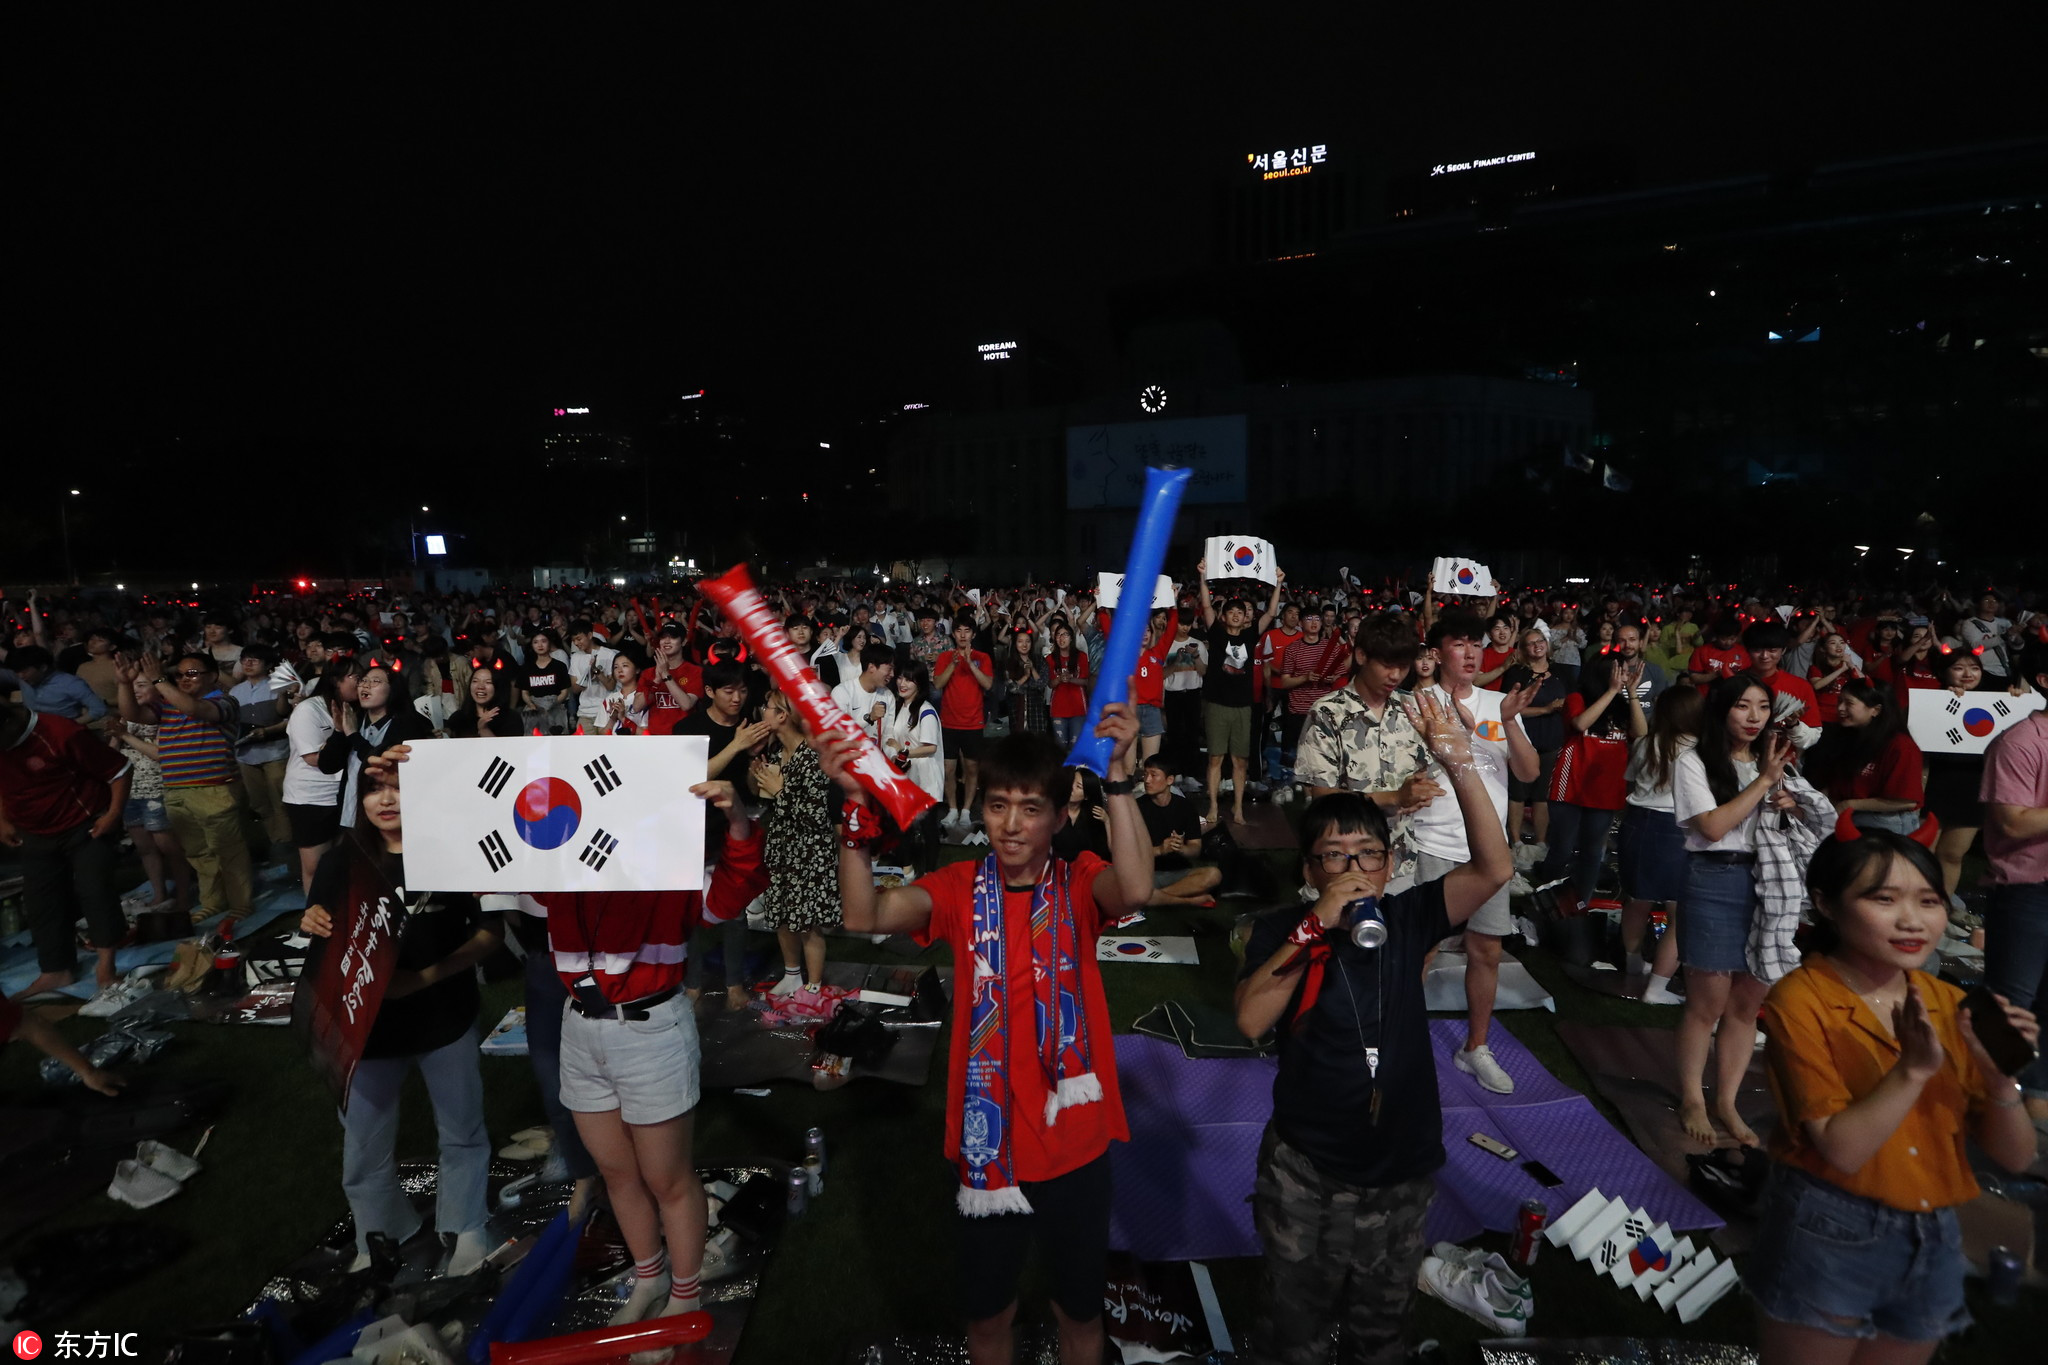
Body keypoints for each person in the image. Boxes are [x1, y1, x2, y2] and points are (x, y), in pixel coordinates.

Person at [821, 707, 1153, 1365]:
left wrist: (1117, 782)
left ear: (1060, 817)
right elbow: (864, 913)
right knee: (986, 1321)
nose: (1009, 823)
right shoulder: (959, 886)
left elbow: (1137, 885)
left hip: (1074, 1145)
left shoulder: (1082, 881)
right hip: (986, 1141)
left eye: (1031, 807)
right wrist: (856, 808)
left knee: (1081, 1318)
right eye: (998, 804)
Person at [1234, 693, 1519, 1365]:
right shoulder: (1284, 929)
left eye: (1368, 854)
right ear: (1310, 870)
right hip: (1306, 1168)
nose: (1354, 869)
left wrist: (1460, 762)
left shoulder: (1409, 916)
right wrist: (1312, 926)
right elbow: (1250, 1019)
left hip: (1400, 1166)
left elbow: (1495, 868)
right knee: (1297, 1325)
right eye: (1334, 855)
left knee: (1379, 1329)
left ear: (1390, 866)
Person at [1747, 825, 2038, 1364]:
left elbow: (2017, 1156)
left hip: (1936, 1233)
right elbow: (1841, 1149)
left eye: (1929, 901)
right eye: (1884, 899)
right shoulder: (1802, 1002)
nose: (1913, 920)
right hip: (1831, 1229)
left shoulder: (1953, 1003)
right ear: (1826, 904)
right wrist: (1913, 1071)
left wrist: (2002, 1082)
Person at [537, 780, 770, 1322]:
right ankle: (650, 1276)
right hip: (580, 1030)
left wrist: (737, 820)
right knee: (617, 1174)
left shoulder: (664, 872)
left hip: (649, 1031)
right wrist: (423, 789)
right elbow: (476, 860)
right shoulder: (555, 867)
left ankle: (683, 1298)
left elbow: (732, 892)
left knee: (667, 1177)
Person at [297, 777, 503, 1276]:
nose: (385, 800)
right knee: (363, 1142)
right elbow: (322, 924)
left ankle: (468, 1225)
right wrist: (312, 920)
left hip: (444, 1018)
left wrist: (423, 979)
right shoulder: (340, 861)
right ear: (358, 801)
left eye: (398, 789)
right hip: (367, 1030)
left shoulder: (455, 853)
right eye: (373, 790)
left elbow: (489, 934)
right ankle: (381, 1233)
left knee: (462, 1129)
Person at [1670, 675, 1823, 1147]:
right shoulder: (1693, 761)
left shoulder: (1775, 764)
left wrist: (1790, 800)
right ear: (1721, 710)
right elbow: (1713, 827)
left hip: (1772, 883)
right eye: (1742, 706)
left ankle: (1726, 1102)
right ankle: (1693, 1097)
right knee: (1707, 1003)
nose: (1754, 717)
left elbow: (1812, 820)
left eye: (1762, 707)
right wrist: (1763, 783)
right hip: (1716, 879)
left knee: (1746, 1004)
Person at [0, 701, 131, 1003]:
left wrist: (112, 815)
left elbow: (120, 769)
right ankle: (56, 970)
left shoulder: (60, 733)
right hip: (33, 830)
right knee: (41, 900)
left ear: (7, 724)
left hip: (83, 823)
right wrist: (3, 818)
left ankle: (106, 966)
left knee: (95, 891)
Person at [116, 651, 251, 929]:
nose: (183, 679)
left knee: (228, 850)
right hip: (177, 789)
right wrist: (123, 684)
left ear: (212, 676)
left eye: (191, 673)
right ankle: (213, 902)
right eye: (180, 674)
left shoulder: (225, 701)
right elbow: (132, 714)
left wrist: (159, 679)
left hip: (214, 788)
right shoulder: (168, 705)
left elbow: (195, 710)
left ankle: (241, 904)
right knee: (198, 852)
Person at [1536, 649, 1647, 912]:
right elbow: (1580, 723)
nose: (1624, 675)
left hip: (1605, 790)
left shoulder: (1622, 704)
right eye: (1619, 671)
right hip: (1571, 785)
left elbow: (1641, 733)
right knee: (1562, 849)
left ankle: (1579, 904)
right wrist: (1611, 691)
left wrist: (1630, 693)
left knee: (1592, 853)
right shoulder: (1577, 698)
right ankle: (1544, 895)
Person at [750, 690, 840, 996]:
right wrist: (757, 772)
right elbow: (761, 794)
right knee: (783, 915)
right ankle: (791, 975)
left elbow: (817, 815)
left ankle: (813, 985)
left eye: (767, 707)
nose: (762, 711)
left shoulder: (812, 755)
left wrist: (780, 791)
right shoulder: (777, 752)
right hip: (782, 845)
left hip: (811, 849)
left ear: (782, 716)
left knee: (808, 922)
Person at [1618, 685, 1702, 1005]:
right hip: (1674, 829)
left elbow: (1630, 780)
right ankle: (1656, 988)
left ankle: (1634, 963)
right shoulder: (1701, 750)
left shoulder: (1646, 744)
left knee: (1637, 899)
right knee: (1681, 912)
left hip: (1636, 823)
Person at [1198, 568, 1285, 827]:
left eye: (1240, 612)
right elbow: (1205, 603)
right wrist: (1203, 577)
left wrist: (1279, 583)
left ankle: (1238, 807)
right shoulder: (1216, 632)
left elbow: (1270, 612)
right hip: (1217, 703)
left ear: (1245, 616)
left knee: (1240, 759)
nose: (1236, 615)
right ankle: (1213, 805)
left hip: (1243, 706)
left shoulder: (1250, 635)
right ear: (1224, 616)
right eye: (1231, 612)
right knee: (1215, 757)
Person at [111, 672, 193, 917]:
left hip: (157, 788)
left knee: (169, 846)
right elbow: (111, 755)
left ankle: (184, 895)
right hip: (130, 790)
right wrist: (117, 736)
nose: (135, 690)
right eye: (131, 686)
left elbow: (160, 754)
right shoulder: (124, 718)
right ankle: (159, 894)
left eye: (142, 685)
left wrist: (125, 736)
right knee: (145, 847)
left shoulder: (163, 715)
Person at [1813, 682, 1924, 836]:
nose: (1840, 708)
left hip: (1886, 823)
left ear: (1875, 710)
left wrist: (1849, 805)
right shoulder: (1847, 736)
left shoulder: (1901, 746)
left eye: (1849, 703)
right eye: (1840, 701)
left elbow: (1906, 800)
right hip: (1848, 817)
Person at [283, 671, 352, 896]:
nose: (361, 683)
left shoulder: (353, 708)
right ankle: (315, 920)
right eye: (354, 676)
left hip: (343, 792)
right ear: (335, 679)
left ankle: (343, 916)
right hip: (310, 797)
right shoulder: (308, 710)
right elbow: (314, 758)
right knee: (316, 865)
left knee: (342, 860)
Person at [1501, 627, 1568, 853]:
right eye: (1531, 643)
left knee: (1542, 795)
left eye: (1540, 641)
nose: (1537, 645)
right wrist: (1546, 709)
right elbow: (1508, 709)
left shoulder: (1561, 672)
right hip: (1522, 741)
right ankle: (1516, 841)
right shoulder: (1517, 674)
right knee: (1518, 793)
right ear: (1523, 648)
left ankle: (1540, 842)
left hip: (1551, 740)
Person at [229, 646, 294, 862]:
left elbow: (286, 716)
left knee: (280, 799)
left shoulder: (278, 686)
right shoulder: (236, 692)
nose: (248, 664)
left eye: (254, 660)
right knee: (259, 802)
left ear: (267, 665)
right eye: (245, 660)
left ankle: (286, 845)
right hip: (246, 754)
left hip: (275, 751)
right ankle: (276, 841)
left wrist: (266, 730)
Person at [883, 660, 946, 868]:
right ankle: (906, 868)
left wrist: (903, 751)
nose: (903, 683)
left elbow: (931, 747)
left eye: (909, 680)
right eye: (901, 678)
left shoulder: (926, 711)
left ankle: (930, 873)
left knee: (928, 829)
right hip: (909, 776)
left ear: (918, 683)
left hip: (926, 777)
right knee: (905, 826)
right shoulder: (903, 707)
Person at [1137, 755, 1222, 906]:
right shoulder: (1137, 807)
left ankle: (1155, 898)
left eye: (1153, 775)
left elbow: (1195, 849)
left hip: (1177, 872)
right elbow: (1130, 854)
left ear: (1169, 780)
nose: (1147, 780)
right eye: (1145, 774)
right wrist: (1160, 850)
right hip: (1145, 874)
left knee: (1214, 875)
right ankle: (1185, 899)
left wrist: (1181, 848)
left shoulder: (1185, 807)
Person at [935, 620, 995, 833]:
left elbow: (987, 684)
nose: (962, 635)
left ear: (973, 634)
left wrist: (970, 663)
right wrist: (953, 663)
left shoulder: (983, 658)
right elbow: (938, 684)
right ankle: (952, 808)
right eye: (958, 630)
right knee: (948, 769)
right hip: (949, 721)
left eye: (966, 631)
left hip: (973, 722)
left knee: (971, 768)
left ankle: (967, 810)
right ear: (953, 634)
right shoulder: (944, 657)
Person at [0, 645, 107, 725]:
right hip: (32, 729)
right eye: (17, 672)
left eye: (24, 671)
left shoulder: (70, 683)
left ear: (43, 667)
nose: (20, 675)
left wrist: (71, 724)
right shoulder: (22, 678)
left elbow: (99, 709)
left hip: (62, 734)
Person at [829, 643, 897, 745]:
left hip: (873, 758)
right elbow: (840, 733)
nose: (892, 674)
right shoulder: (841, 692)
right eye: (889, 669)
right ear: (871, 667)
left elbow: (887, 735)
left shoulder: (888, 696)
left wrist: (893, 755)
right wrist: (869, 718)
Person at [1046, 624, 1091, 750]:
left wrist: (1071, 679)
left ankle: (1076, 770)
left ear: (1071, 638)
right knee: (1060, 748)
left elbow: (1086, 681)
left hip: (1078, 708)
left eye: (1065, 634)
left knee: (1076, 746)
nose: (1061, 638)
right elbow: (1050, 684)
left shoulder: (1081, 656)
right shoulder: (1050, 659)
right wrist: (1060, 679)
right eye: (1058, 635)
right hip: (1058, 708)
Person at [1804, 631, 1864, 726]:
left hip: (1844, 716)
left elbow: (1863, 682)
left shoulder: (1849, 666)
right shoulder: (1815, 668)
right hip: (1822, 717)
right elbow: (1817, 685)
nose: (1838, 646)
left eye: (1841, 642)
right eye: (1833, 643)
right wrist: (1841, 670)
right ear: (1823, 649)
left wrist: (1851, 664)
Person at [520, 629, 573, 735]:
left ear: (549, 643)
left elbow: (564, 692)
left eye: (543, 641)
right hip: (534, 710)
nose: (540, 645)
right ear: (532, 645)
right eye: (536, 642)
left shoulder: (559, 666)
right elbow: (524, 692)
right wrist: (531, 704)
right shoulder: (527, 668)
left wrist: (552, 703)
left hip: (555, 708)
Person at [1685, 616, 1751, 690]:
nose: (1728, 643)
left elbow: (1748, 676)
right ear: (1716, 636)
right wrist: (1716, 674)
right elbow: (1693, 677)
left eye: (1732, 639)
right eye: (1723, 639)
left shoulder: (1743, 652)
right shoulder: (1702, 651)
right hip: (1706, 696)